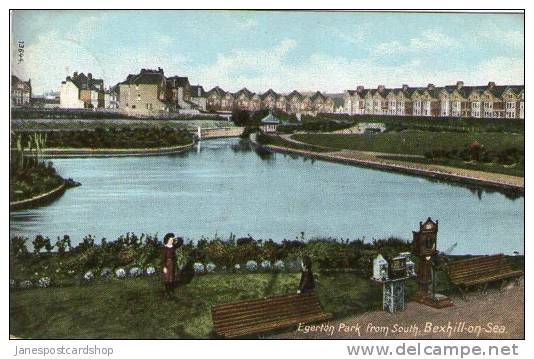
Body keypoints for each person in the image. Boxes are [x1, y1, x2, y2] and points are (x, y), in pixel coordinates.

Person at [161, 233, 183, 299]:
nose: (172, 240)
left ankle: (171, 290)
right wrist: (164, 267)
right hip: (167, 264)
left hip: (173, 264)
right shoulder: (165, 248)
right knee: (166, 278)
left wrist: (175, 239)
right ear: (167, 240)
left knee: (172, 278)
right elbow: (163, 258)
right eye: (170, 239)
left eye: (172, 239)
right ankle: (167, 291)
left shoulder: (173, 247)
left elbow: (180, 242)